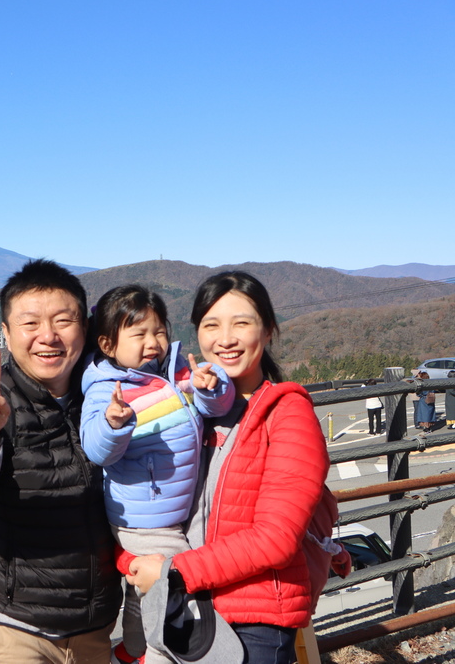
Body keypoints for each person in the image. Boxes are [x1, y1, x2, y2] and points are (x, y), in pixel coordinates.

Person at [124, 271, 334, 664]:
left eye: (242, 323)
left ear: (268, 330)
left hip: (252, 622)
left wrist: (174, 573)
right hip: (188, 608)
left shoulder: (287, 413)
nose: (225, 339)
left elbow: (276, 538)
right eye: (211, 325)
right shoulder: (189, 411)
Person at [0, 259, 122, 664]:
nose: (47, 336)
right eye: (30, 324)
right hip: (13, 626)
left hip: (96, 625)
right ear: (7, 335)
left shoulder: (109, 399)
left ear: (85, 327)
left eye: (63, 321)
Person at [79, 284, 235, 664]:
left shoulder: (175, 373)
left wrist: (211, 389)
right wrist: (114, 424)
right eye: (139, 334)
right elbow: (97, 450)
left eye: (160, 331)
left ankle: (132, 650)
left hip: (176, 513)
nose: (153, 342)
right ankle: (161, 655)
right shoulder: (106, 391)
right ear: (108, 344)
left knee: (145, 595)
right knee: (179, 594)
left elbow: (216, 406)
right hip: (145, 521)